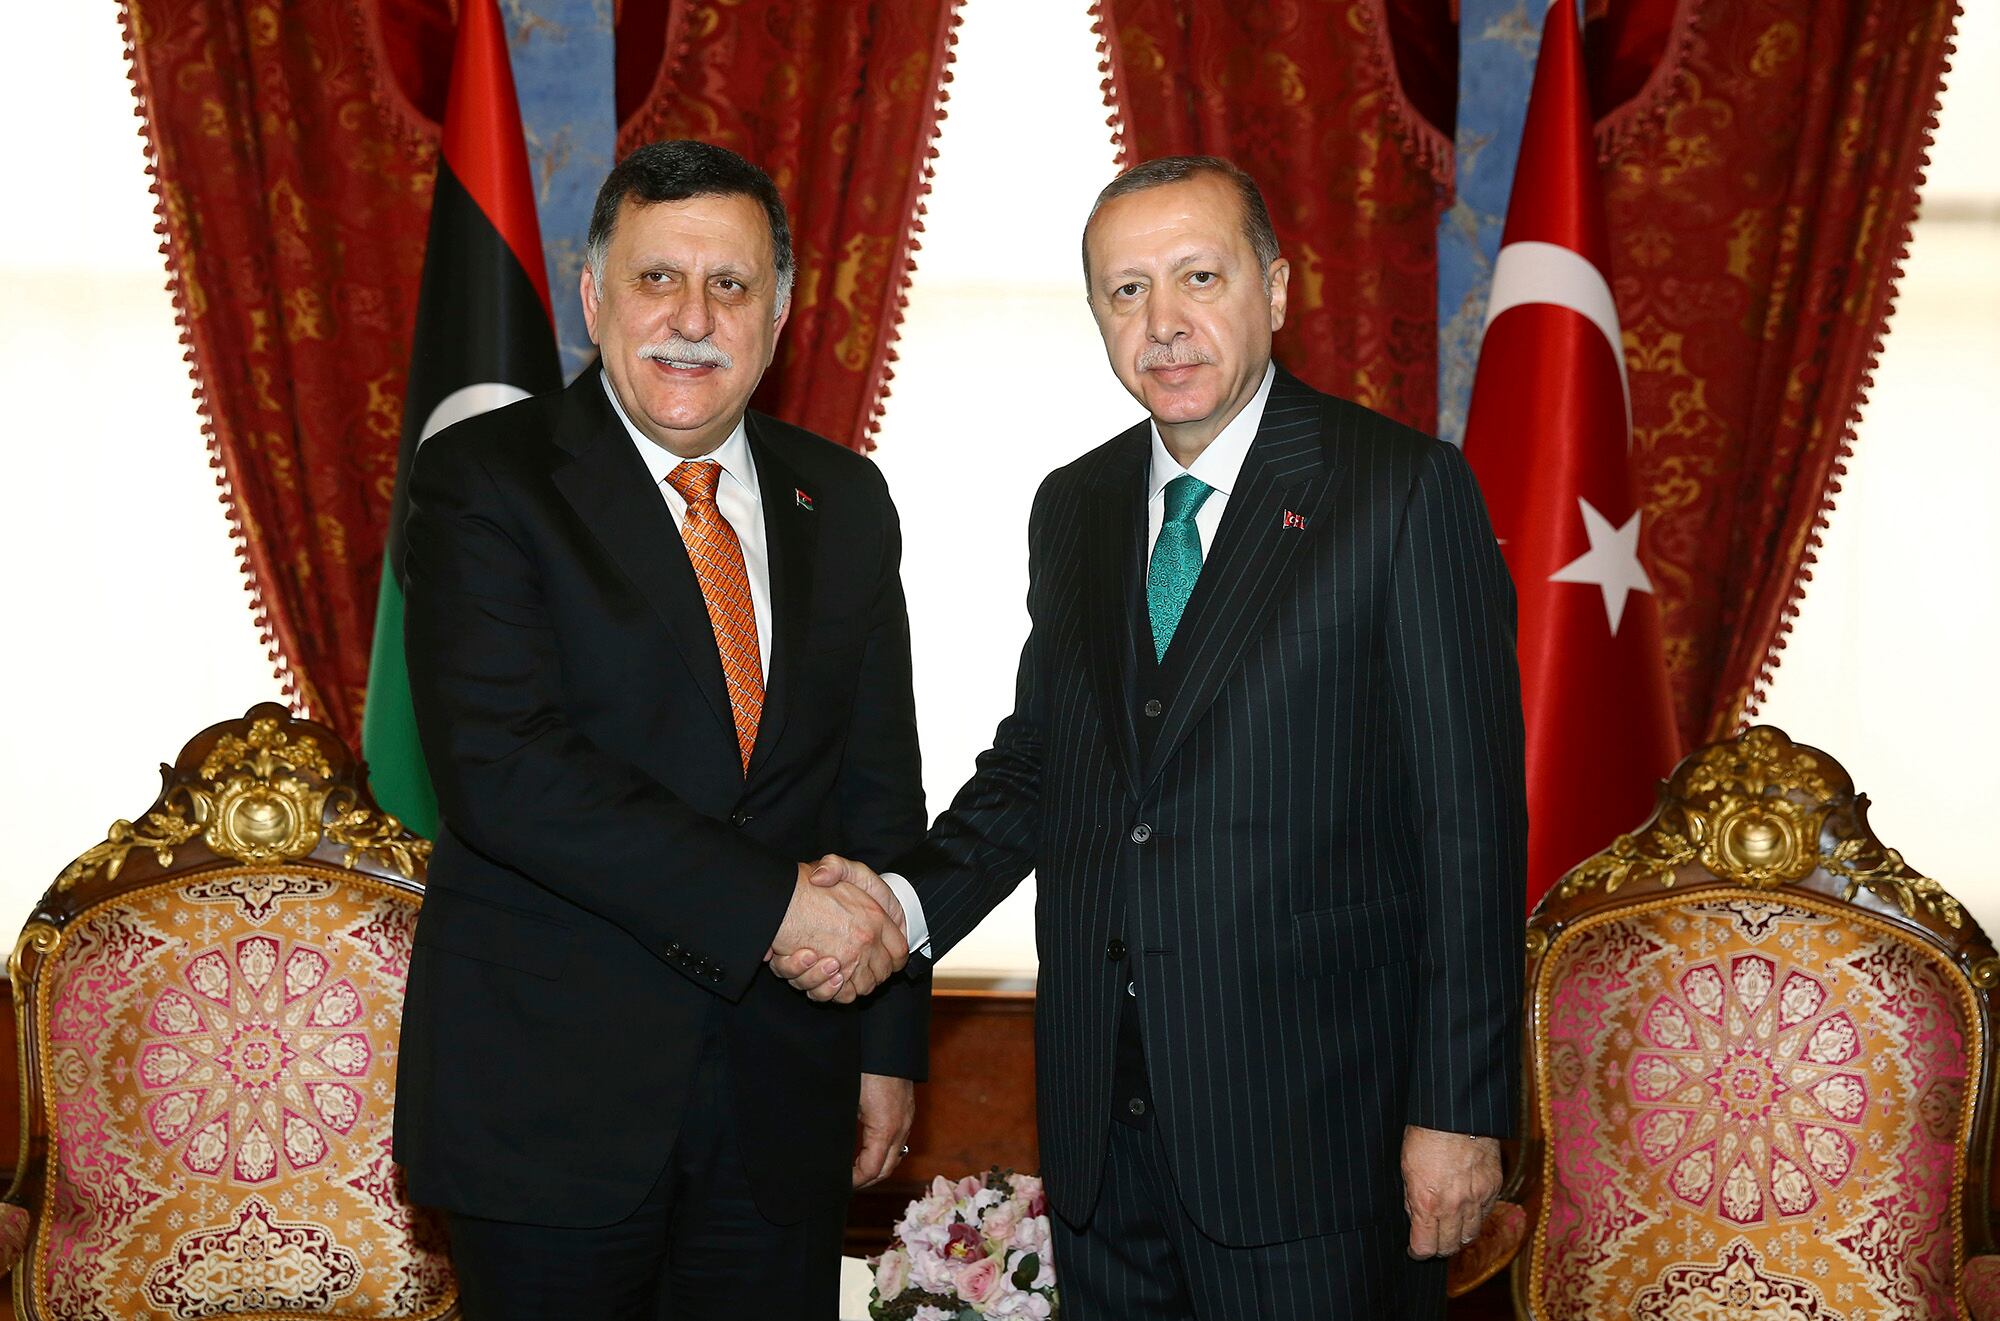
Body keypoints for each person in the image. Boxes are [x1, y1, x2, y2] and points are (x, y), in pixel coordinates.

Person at [779, 156, 1528, 1318]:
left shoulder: (1398, 492)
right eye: (1124, 292)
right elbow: (1040, 768)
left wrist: (1460, 1107)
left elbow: (1468, 830)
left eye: (1197, 277)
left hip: (1313, 1142)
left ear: (1274, 289)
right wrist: (899, 910)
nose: (1163, 324)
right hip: (1101, 1142)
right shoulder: (1071, 506)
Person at [393, 139, 923, 1320]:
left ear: (778, 314)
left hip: (784, 1104)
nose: (692, 317)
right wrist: (774, 903)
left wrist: (887, 1040)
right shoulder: (485, 479)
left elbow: (877, 788)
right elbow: (503, 769)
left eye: (729, 285)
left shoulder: (842, 498)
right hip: (548, 1111)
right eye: (655, 280)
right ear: (593, 298)